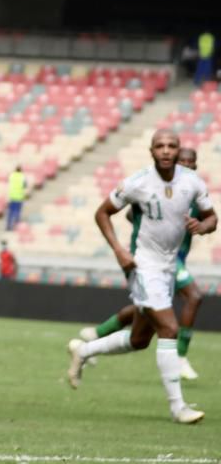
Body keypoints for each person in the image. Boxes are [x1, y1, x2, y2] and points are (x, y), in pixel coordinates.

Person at [66, 129, 215, 424]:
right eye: (160, 146)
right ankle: (178, 407)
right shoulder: (138, 182)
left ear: (178, 149)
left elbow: (212, 217)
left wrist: (204, 226)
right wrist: (120, 250)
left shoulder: (192, 182)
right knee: (169, 329)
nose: (166, 150)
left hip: (170, 268)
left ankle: (84, 350)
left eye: (172, 145)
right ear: (151, 151)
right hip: (144, 266)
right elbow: (102, 213)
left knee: (139, 339)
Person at [77, 147, 206, 381]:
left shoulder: (193, 190)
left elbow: (210, 219)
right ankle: (180, 358)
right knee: (194, 296)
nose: (186, 165)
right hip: (157, 260)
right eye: (182, 161)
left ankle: (96, 335)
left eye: (190, 162)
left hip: (173, 259)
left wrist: (201, 226)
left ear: (195, 166)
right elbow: (128, 213)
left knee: (143, 318)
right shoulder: (159, 186)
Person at [6, 165, 27, 231]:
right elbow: (24, 185)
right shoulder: (22, 176)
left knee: (10, 212)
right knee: (17, 212)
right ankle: (16, 226)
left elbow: (9, 182)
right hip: (19, 197)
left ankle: (8, 226)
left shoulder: (11, 175)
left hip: (12, 196)